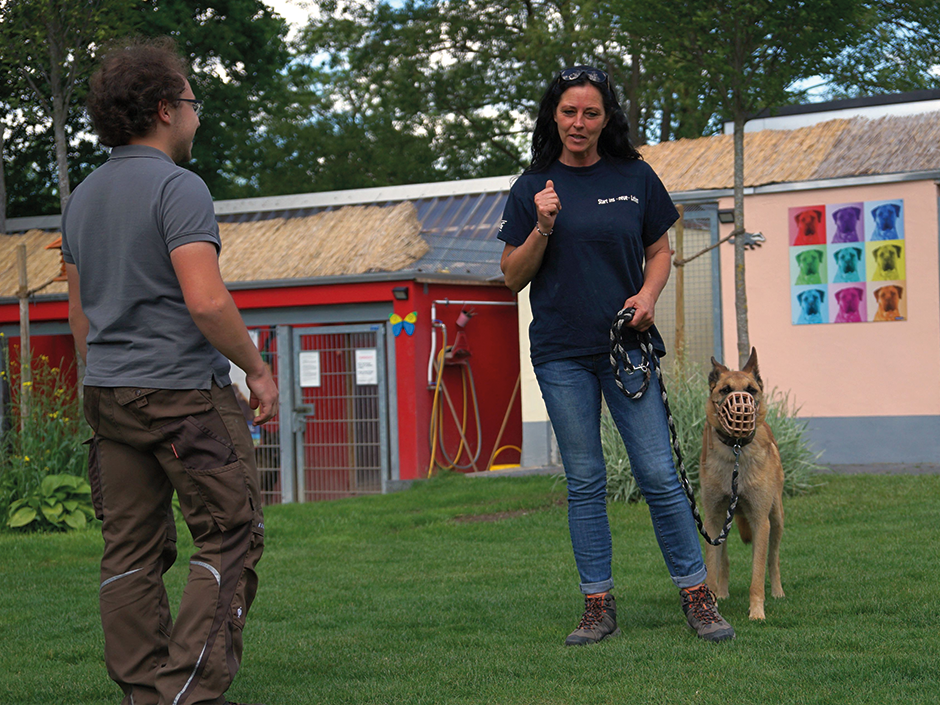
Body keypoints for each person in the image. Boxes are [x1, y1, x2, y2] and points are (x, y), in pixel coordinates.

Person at [62, 37, 278, 705]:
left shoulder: (84, 197)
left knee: (128, 547)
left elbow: (79, 320)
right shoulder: (179, 188)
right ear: (163, 108)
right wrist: (258, 370)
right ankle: (189, 689)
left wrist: (100, 383)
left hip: (109, 392)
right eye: (191, 100)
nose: (197, 113)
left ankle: (142, 692)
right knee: (232, 529)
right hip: (184, 393)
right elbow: (207, 300)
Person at [498, 66, 734, 645]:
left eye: (592, 112)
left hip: (627, 349)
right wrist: (544, 227)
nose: (579, 123)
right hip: (561, 356)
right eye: (569, 111)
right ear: (554, 115)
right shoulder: (533, 187)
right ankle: (597, 605)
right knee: (584, 480)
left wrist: (649, 295)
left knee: (658, 473)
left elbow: (660, 250)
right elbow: (511, 277)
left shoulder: (635, 176)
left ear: (608, 119)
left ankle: (697, 596)